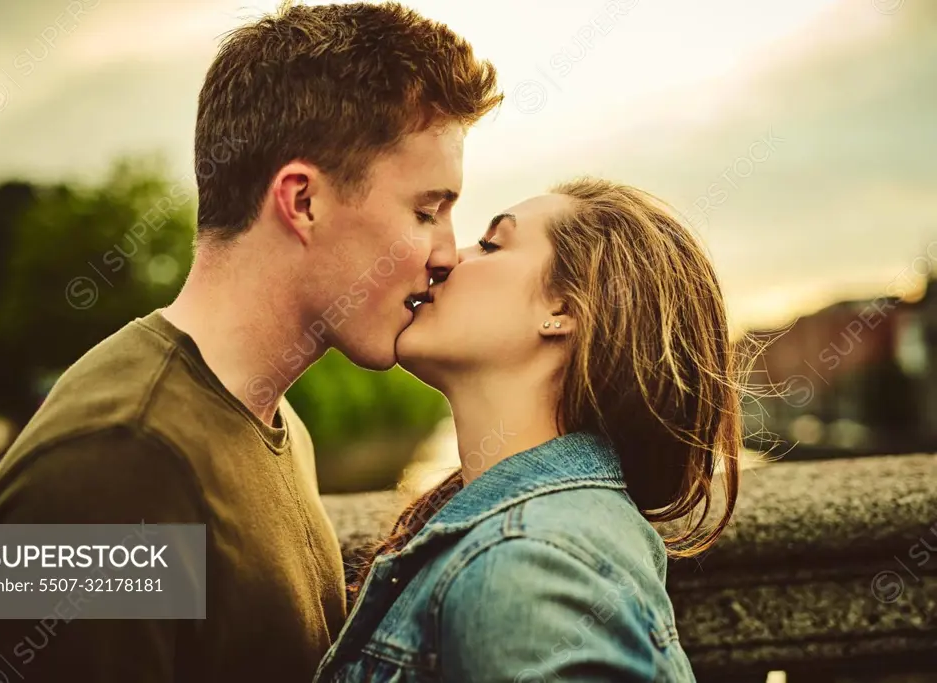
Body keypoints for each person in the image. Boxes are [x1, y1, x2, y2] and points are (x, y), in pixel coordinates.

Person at [0, 3, 501, 682]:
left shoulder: (277, 424)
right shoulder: (113, 461)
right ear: (302, 201)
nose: (447, 252)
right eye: (426, 211)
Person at [313, 178, 746, 682]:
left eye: (492, 243)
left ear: (562, 311)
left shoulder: (528, 565)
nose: (447, 258)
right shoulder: (542, 536)